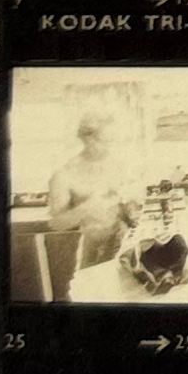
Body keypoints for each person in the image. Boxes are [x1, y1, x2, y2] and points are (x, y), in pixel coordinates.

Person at [46, 110, 143, 268]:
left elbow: (127, 206)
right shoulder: (65, 174)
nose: (109, 147)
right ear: (86, 138)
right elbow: (56, 224)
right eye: (104, 140)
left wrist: (131, 206)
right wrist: (87, 208)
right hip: (90, 254)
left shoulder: (118, 165)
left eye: (112, 141)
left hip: (123, 247)